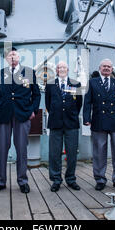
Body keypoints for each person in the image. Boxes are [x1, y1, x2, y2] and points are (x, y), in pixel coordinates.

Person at [0, 48, 41, 194]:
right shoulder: (1, 73)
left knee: (21, 149)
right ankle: (0, 181)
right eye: (9, 55)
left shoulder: (29, 72)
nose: (12, 57)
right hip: (4, 115)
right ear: (6, 58)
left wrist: (33, 111)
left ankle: (22, 181)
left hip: (23, 115)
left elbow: (36, 94)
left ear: (19, 57)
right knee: (2, 149)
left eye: (14, 54)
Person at [83, 59, 115, 190]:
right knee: (99, 152)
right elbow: (87, 102)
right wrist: (86, 118)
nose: (106, 68)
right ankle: (100, 179)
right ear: (100, 68)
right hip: (99, 121)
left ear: (112, 69)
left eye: (109, 67)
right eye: (104, 66)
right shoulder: (92, 83)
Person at [45, 61, 82, 192]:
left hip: (71, 123)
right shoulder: (50, 85)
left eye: (64, 67)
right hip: (55, 123)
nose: (61, 69)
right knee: (54, 153)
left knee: (72, 153)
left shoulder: (76, 84)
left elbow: (79, 104)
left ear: (68, 69)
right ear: (56, 70)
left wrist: (70, 114)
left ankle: (71, 179)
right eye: (59, 67)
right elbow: (48, 104)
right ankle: (56, 179)